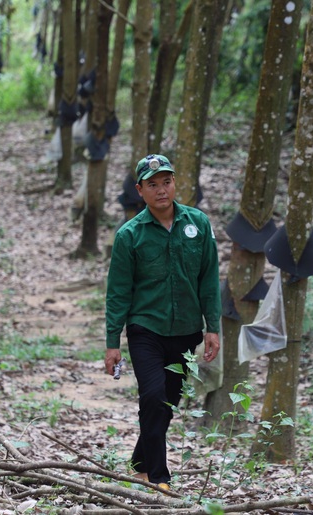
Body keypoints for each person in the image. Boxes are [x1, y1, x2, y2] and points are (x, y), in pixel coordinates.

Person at [104, 153, 221, 490]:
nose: (161, 190)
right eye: (152, 185)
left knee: (167, 404)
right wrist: (113, 342)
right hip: (146, 329)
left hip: (186, 330)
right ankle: (158, 477)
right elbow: (118, 291)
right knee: (153, 396)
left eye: (166, 182)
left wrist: (212, 327)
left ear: (175, 183)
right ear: (140, 190)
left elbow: (208, 279)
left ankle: (139, 462)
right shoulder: (130, 235)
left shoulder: (198, 224)